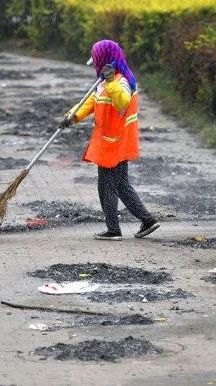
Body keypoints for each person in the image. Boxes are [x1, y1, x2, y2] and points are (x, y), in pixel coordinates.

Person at [60, 39, 159, 241]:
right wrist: (72, 116)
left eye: (96, 61)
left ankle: (113, 230)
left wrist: (112, 81)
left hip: (113, 142)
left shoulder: (121, 81)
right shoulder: (105, 82)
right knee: (121, 184)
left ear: (105, 60)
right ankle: (147, 220)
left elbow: (122, 102)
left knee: (106, 185)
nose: (95, 66)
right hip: (116, 141)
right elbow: (91, 101)